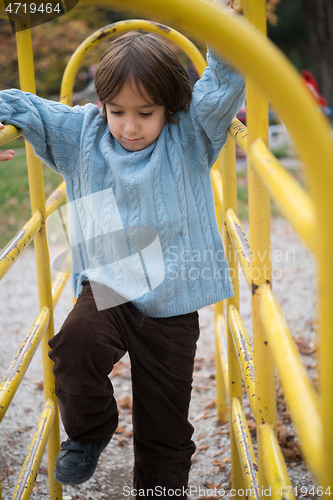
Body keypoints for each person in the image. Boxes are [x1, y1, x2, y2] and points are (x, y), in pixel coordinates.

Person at [0, 1, 244, 497]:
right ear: (102, 104)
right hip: (109, 285)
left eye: (145, 113)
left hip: (173, 298)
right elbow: (23, 104)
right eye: (117, 112)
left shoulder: (190, 135)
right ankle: (90, 432)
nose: (129, 127)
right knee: (74, 345)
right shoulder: (84, 133)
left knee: (166, 429)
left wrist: (224, 24)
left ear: (170, 107)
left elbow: (222, 84)